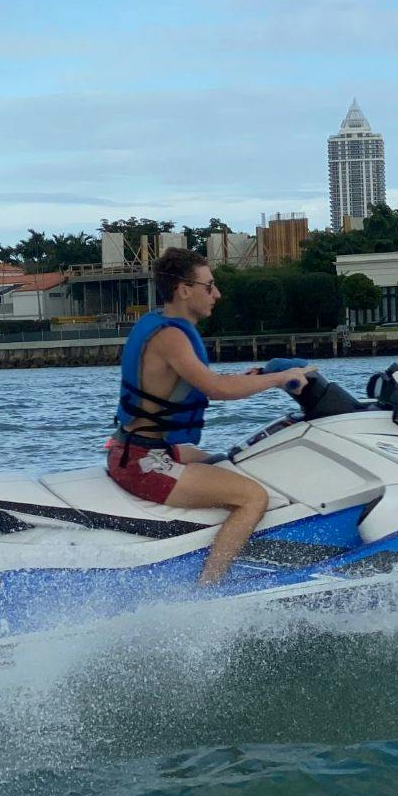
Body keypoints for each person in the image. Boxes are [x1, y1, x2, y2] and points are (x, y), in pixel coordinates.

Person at [109, 247, 313, 584]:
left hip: (135, 449)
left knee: (222, 460)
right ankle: (209, 589)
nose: (216, 294)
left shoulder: (158, 325)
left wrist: (256, 377)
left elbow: (200, 385)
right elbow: (217, 389)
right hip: (143, 462)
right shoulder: (172, 338)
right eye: (209, 286)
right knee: (252, 497)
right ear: (184, 289)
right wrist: (277, 379)